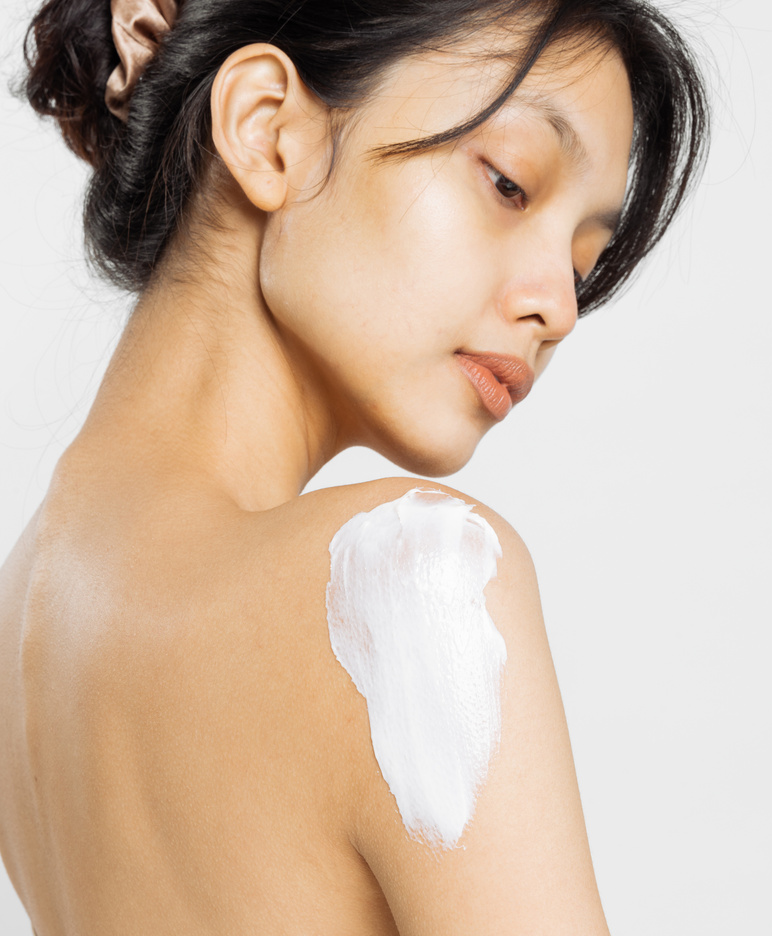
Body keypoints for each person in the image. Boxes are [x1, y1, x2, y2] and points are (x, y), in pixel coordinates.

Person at [0, 0, 708, 933]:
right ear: (267, 130)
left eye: (583, 262)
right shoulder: (413, 584)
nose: (559, 309)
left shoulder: (22, 617)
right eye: (509, 183)